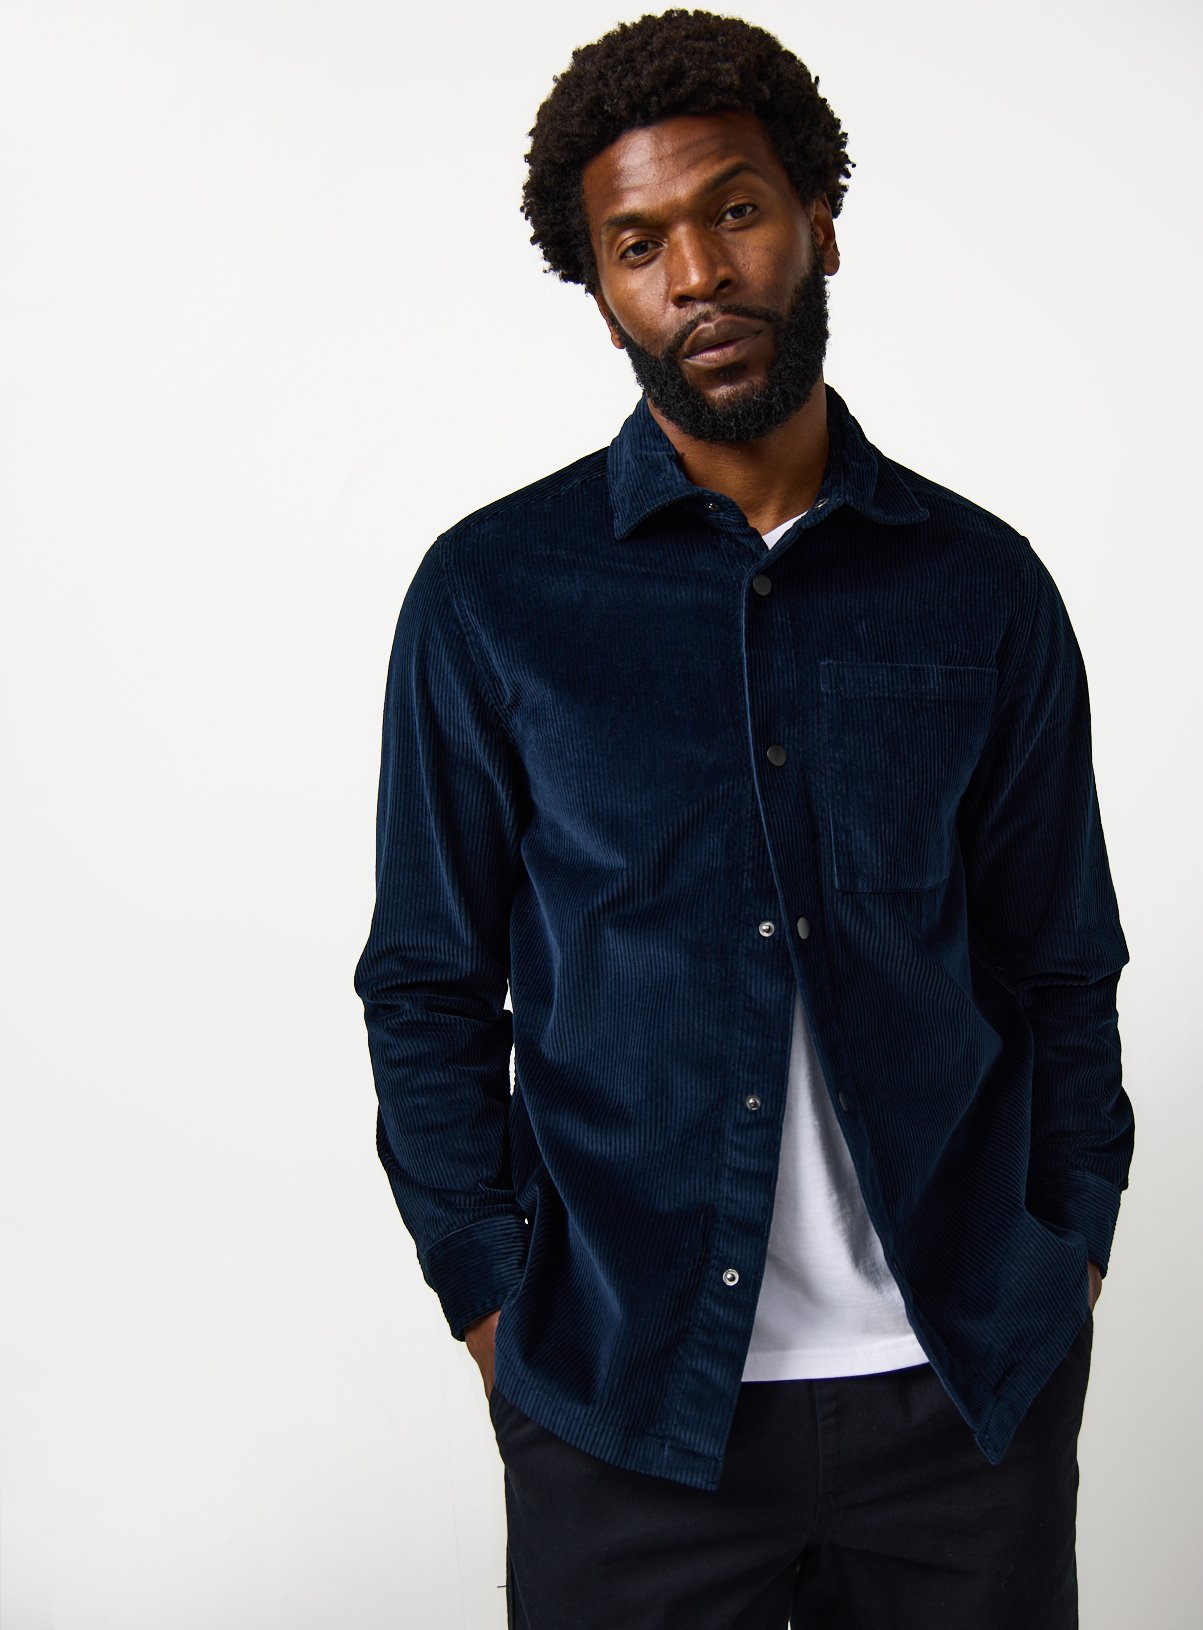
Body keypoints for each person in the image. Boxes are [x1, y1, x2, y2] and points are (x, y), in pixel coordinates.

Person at [353, 10, 1133, 1626]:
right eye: (638, 244)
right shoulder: (492, 601)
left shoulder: (982, 588)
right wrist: (496, 1308)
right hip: (626, 1403)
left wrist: (1067, 1260)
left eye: (736, 209)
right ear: (601, 294)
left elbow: (1061, 962)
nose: (698, 272)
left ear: (819, 221)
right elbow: (428, 986)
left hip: (961, 1396)